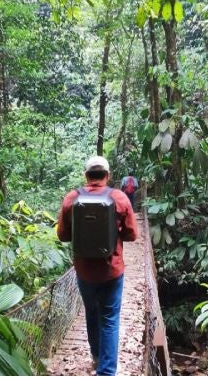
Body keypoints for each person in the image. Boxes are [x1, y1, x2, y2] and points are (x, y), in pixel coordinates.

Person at [57, 156, 138, 376]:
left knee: (92, 313)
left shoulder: (71, 199)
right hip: (111, 271)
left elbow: (63, 235)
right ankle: (107, 371)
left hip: (84, 272)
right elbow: (132, 235)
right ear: (107, 175)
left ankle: (95, 356)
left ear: (86, 175)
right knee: (109, 320)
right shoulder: (119, 198)